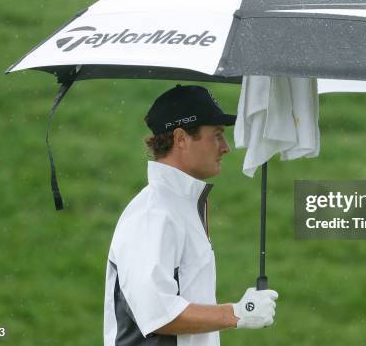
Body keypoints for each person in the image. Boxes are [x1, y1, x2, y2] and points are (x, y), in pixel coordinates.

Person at [103, 84, 279, 346]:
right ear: (181, 138)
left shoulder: (176, 206)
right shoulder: (154, 213)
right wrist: (238, 313)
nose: (226, 147)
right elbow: (157, 314)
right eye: (217, 135)